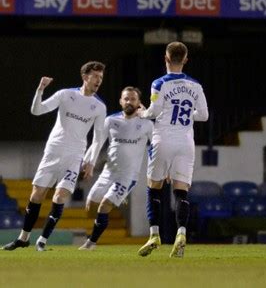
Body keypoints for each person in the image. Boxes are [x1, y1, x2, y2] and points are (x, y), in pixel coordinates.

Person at [2, 61, 107, 251]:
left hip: (74, 157)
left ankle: (42, 241)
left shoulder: (99, 107)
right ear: (85, 77)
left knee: (60, 197)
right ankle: (23, 238)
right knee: (37, 195)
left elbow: (98, 139)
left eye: (101, 77)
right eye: (95, 76)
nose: (99, 80)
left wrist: (90, 162)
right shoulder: (66, 94)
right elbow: (37, 110)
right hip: (53, 152)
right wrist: (40, 89)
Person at [137, 41, 209, 258]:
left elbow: (154, 111)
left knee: (154, 187)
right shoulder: (195, 86)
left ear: (166, 58)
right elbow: (204, 116)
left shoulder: (159, 83)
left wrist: (142, 113)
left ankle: (154, 234)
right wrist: (187, 117)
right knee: (181, 191)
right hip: (186, 142)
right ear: (185, 59)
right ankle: (181, 232)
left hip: (163, 139)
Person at [78, 87, 153, 250]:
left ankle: (91, 243)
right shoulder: (111, 121)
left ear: (139, 102)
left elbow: (156, 145)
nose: (129, 102)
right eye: (126, 99)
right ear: (120, 101)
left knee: (105, 205)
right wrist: (88, 162)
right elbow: (97, 142)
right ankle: (120, 196)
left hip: (128, 176)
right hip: (108, 172)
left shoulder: (146, 124)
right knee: (90, 204)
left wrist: (161, 167)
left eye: (133, 99)